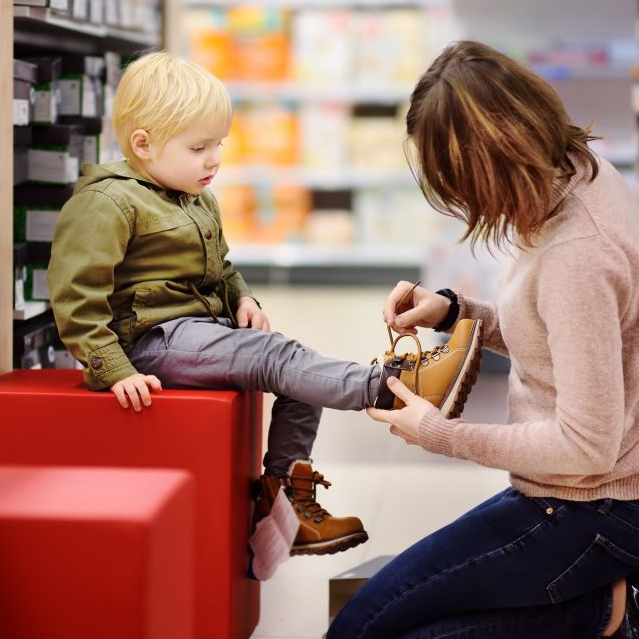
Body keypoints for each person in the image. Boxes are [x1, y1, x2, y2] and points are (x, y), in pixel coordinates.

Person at [327, 41, 639, 639]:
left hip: (602, 510)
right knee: (373, 621)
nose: (464, 203)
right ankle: (609, 608)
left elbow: (586, 448)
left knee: (363, 631)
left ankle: (622, 609)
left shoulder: (578, 253)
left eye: (461, 183)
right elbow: (559, 335)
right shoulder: (576, 175)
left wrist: (438, 433)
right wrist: (456, 312)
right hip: (589, 496)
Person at [47, 51, 483, 558]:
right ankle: (391, 385)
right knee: (277, 359)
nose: (214, 160)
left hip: (195, 332)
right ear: (143, 144)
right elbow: (76, 297)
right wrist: (115, 370)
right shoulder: (108, 202)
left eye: (219, 146)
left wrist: (243, 298)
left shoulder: (194, 196)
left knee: (297, 374)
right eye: (199, 147)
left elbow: (221, 267)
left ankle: (285, 504)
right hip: (148, 343)